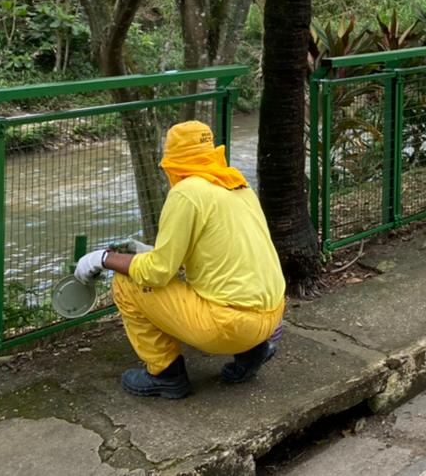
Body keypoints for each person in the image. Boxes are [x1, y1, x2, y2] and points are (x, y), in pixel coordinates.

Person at [74, 121, 286, 399]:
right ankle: (252, 353)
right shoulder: (237, 184)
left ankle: (165, 374)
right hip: (271, 318)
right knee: (219, 289)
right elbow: (218, 255)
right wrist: (147, 250)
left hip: (229, 327)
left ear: (172, 162)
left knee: (127, 282)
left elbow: (157, 274)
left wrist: (103, 258)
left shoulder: (187, 192)